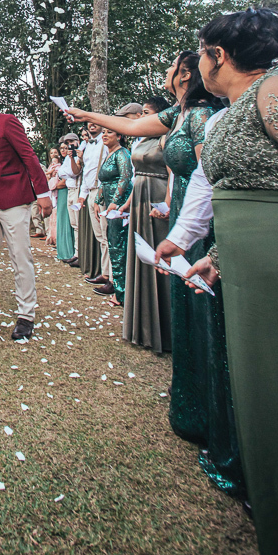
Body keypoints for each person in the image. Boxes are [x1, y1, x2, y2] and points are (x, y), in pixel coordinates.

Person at [157, 10, 278, 555]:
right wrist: (217, 258)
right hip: (248, 276)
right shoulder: (232, 112)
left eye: (200, 53)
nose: (197, 64)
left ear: (216, 54)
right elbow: (245, 197)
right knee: (264, 418)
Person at [67, 54, 235, 487]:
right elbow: (131, 127)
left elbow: (210, 178)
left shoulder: (201, 115)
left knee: (207, 318)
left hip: (205, 222)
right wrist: (86, 113)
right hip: (181, 212)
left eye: (174, 66)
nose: (166, 72)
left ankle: (224, 428)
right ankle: (194, 412)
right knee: (188, 314)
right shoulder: (175, 113)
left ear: (183, 74)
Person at [0, 87, 52, 341]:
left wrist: (43, 192)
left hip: (15, 199)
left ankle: (26, 316)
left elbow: (28, 155)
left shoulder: (7, 122)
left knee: (20, 256)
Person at [121, 96, 173, 353]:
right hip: (139, 196)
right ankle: (141, 325)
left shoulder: (166, 136)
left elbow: (173, 171)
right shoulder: (141, 140)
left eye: (147, 112)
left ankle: (165, 328)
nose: (142, 117)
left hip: (157, 196)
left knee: (159, 256)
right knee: (140, 255)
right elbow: (136, 175)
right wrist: (129, 202)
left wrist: (168, 202)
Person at [93, 129, 133, 306]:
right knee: (112, 243)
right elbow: (103, 181)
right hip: (108, 203)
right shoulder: (109, 155)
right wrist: (97, 200)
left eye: (110, 132)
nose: (105, 135)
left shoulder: (123, 153)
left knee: (118, 246)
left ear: (120, 136)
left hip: (119, 205)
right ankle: (118, 287)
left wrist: (115, 201)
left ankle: (121, 292)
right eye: (104, 133)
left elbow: (125, 177)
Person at [79, 124, 107, 282]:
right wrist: (82, 195)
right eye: (89, 122)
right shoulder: (88, 146)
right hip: (89, 192)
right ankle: (104, 272)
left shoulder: (106, 142)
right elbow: (87, 170)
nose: (91, 124)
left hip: (101, 191)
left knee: (105, 234)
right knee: (99, 235)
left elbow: (107, 170)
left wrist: (99, 197)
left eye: (94, 121)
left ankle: (108, 276)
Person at [55, 137, 81, 262]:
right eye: (67, 144)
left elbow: (72, 173)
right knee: (74, 224)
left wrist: (65, 173)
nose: (69, 146)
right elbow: (62, 173)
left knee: (78, 224)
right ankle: (75, 253)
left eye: (71, 143)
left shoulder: (77, 157)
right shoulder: (66, 159)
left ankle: (78, 253)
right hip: (70, 190)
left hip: (76, 189)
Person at [44, 147, 62, 245]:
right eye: (52, 153)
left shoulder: (59, 166)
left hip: (56, 191)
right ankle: (50, 235)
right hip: (50, 190)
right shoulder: (50, 166)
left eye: (55, 152)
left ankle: (56, 237)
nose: (54, 154)